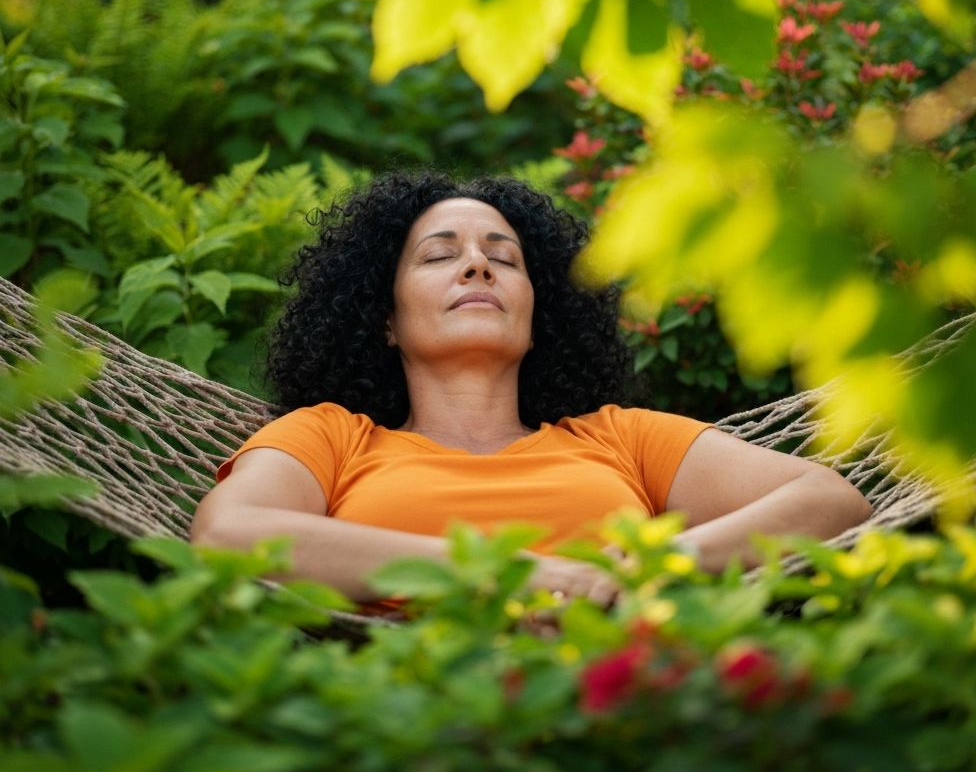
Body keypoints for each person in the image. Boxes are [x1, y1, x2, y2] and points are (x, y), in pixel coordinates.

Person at [192, 172, 872, 606]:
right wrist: (514, 572)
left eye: (504, 258)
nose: (478, 264)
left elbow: (830, 499)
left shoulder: (620, 436)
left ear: (538, 314)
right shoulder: (330, 435)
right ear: (386, 320)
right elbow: (227, 535)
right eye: (439, 254)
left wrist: (647, 565)